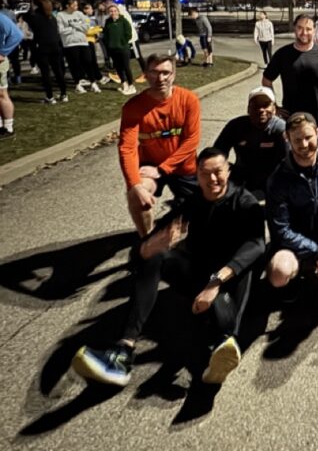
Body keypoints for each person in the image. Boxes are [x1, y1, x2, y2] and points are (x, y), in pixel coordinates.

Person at [71, 148, 266, 388]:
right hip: (197, 275)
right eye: (206, 174)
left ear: (228, 171)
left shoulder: (245, 203)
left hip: (226, 281)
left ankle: (223, 344)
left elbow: (257, 246)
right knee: (155, 256)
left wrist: (215, 283)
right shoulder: (194, 202)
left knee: (243, 270)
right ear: (197, 175)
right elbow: (147, 245)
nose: (213, 179)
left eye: (218, 172)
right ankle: (122, 352)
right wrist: (148, 248)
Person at [266, 111, 318, 306]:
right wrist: (317, 253)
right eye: (297, 139)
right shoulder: (278, 179)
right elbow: (281, 230)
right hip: (294, 243)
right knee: (279, 272)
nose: (304, 145)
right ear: (287, 139)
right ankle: (294, 280)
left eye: (308, 137)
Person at [118, 53, 202, 236]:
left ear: (174, 74)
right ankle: (146, 240)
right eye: (154, 72)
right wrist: (135, 185)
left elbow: (191, 141)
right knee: (136, 196)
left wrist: (163, 169)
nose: (160, 78)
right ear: (145, 74)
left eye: (166, 72)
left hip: (182, 166)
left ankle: (184, 222)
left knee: (197, 218)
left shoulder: (189, 100)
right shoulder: (133, 107)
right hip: (150, 164)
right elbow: (127, 148)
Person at [263, 14, 318, 131]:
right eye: (300, 28)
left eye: (308, 29)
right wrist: (274, 106)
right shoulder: (282, 54)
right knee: (292, 149)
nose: (304, 32)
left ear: (314, 30)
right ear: (294, 29)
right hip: (292, 117)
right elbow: (266, 80)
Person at [214, 85, 286, 199]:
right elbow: (217, 153)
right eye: (256, 106)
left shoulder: (281, 129)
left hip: (271, 180)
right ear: (248, 109)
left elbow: (288, 163)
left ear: (274, 109)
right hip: (241, 176)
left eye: (266, 105)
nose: (261, 110)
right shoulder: (235, 126)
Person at [24, 0, 68, 105]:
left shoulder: (35, 17)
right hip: (55, 46)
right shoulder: (52, 17)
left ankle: (50, 96)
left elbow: (25, 16)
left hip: (42, 47)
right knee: (58, 71)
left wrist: (30, 9)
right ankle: (64, 94)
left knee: (45, 72)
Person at [56, 0, 101, 93]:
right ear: (68, 6)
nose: (76, 7)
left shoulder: (79, 14)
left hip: (83, 41)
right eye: (74, 5)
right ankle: (78, 84)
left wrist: (75, 26)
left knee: (88, 61)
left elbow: (86, 26)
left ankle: (93, 82)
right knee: (74, 64)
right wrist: (75, 28)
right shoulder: (60, 15)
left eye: (77, 5)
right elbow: (61, 31)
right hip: (70, 43)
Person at [102, 2, 136, 95]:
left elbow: (129, 33)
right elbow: (106, 34)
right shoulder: (108, 22)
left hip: (123, 48)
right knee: (118, 68)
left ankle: (131, 85)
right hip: (113, 49)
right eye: (111, 11)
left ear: (118, 11)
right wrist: (108, 44)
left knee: (126, 67)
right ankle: (124, 84)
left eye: (115, 11)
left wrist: (123, 42)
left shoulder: (123, 21)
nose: (113, 13)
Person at [0, 11, 23, 138]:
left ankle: (8, 127)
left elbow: (17, 35)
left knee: (2, 94)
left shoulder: (1, 18)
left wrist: (3, 53)